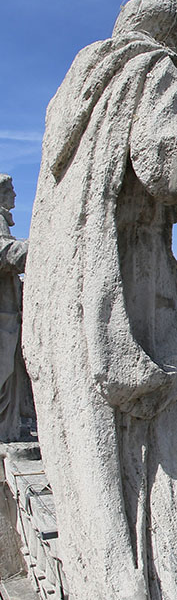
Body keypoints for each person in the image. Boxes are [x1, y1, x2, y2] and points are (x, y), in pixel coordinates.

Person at [23, 0, 177, 600]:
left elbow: (148, 180)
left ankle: (117, 572)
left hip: (69, 301)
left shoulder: (79, 94)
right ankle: (168, 570)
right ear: (175, 38)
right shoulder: (153, 67)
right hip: (132, 297)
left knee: (99, 455)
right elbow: (168, 163)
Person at [0, 174, 29, 442]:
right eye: (10, 190)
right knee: (3, 374)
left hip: (7, 313)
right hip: (2, 316)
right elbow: (3, 253)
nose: (15, 196)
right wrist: (38, 249)